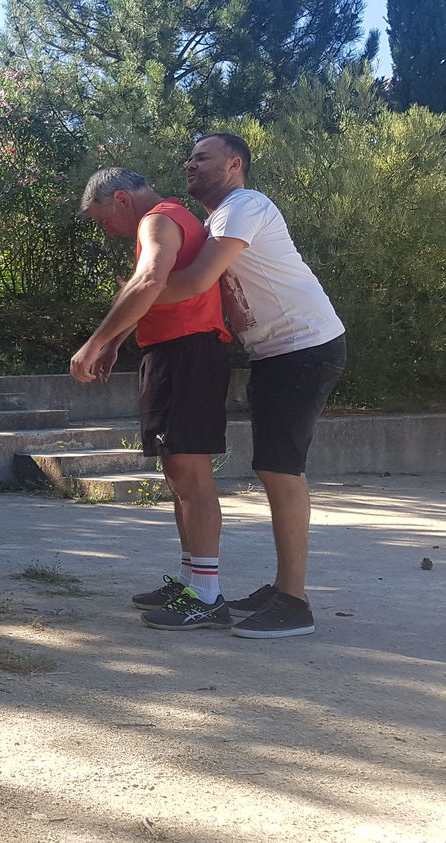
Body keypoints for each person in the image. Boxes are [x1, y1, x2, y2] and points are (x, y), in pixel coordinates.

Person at [84, 133, 348, 639]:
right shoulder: (212, 220)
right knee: (269, 467)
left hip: (305, 346)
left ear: (235, 164)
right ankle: (258, 588)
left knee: (280, 469)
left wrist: (126, 308)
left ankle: (293, 601)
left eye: (202, 157)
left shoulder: (243, 206)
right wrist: (128, 316)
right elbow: (180, 288)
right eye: (189, 157)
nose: (190, 164)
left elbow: (191, 284)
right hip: (274, 352)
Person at [70, 168, 233, 631]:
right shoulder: (172, 218)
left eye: (104, 220)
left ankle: (205, 594)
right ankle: (191, 582)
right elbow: (152, 291)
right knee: (178, 470)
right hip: (176, 351)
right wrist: (120, 339)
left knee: (190, 472)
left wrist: (96, 342)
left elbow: (147, 283)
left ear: (122, 198)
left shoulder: (157, 219)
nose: (108, 231)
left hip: (186, 352)